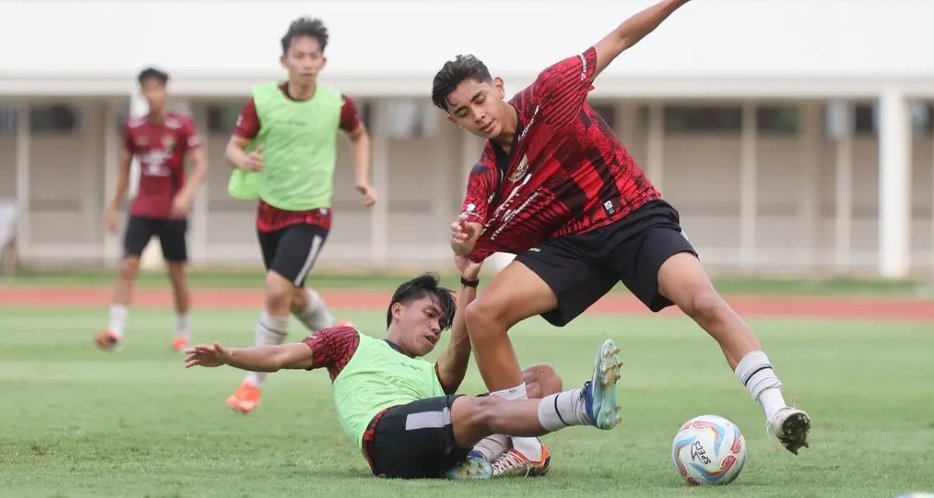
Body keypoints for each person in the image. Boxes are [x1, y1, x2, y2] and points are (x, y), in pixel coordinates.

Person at [433, 0, 809, 476]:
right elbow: (468, 246)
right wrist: (464, 241)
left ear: (498, 87)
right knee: (486, 315)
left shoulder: (552, 90)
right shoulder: (486, 174)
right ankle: (526, 449)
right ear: (455, 121)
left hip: (633, 216)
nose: (478, 115)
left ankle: (777, 409)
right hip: (575, 243)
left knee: (701, 299)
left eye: (480, 99)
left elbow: (622, 36)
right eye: (464, 112)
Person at [184, 261, 623, 479]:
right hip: (387, 438)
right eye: (430, 314)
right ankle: (585, 406)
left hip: (438, 432)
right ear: (397, 308)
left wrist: (469, 281)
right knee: (475, 408)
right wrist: (230, 356)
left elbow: (464, 337)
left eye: (440, 323)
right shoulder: (349, 342)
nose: (435, 328)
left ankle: (485, 461)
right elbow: (281, 356)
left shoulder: (433, 377)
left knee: (542, 378)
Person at [222, 17, 377, 413]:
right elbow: (233, 148)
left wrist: (361, 178)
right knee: (290, 296)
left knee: (276, 290)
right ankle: (338, 334)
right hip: (269, 213)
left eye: (314, 56)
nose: (307, 62)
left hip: (312, 214)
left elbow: (359, 136)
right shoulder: (262, 100)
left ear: (322, 63)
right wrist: (245, 159)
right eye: (300, 56)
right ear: (284, 60)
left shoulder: (337, 104)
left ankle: (251, 384)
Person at [96, 67, 208, 352]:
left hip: (173, 212)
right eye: (148, 89)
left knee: (176, 274)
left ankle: (183, 333)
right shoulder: (134, 128)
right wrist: (113, 208)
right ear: (143, 93)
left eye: (158, 88)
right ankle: (115, 331)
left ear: (165, 91)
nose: (153, 94)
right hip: (142, 209)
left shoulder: (181, 126)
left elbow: (201, 164)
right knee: (127, 266)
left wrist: (185, 194)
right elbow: (124, 170)